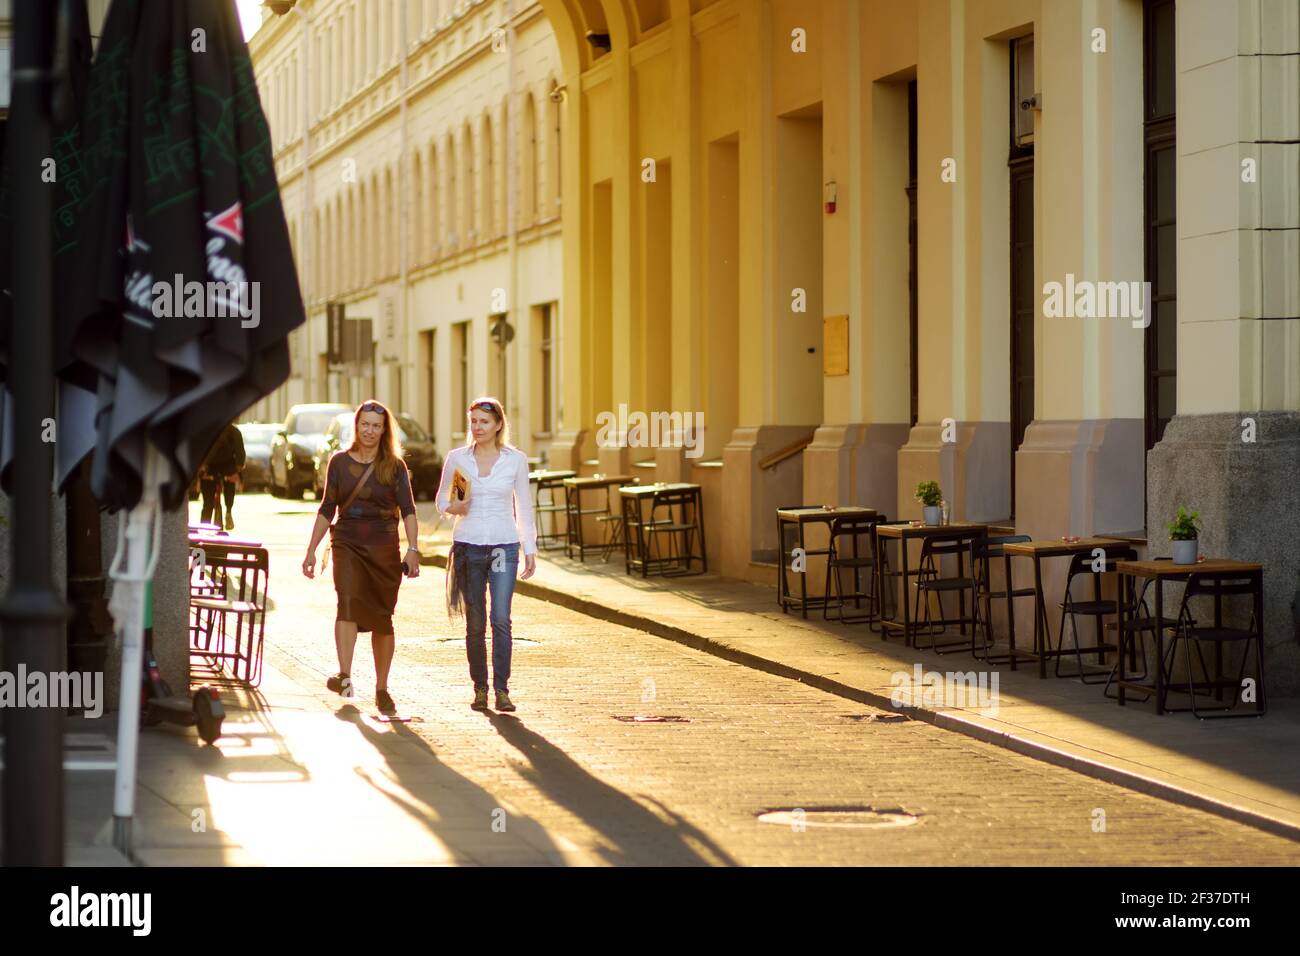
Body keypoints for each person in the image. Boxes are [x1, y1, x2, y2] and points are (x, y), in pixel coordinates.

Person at [302, 400, 420, 715]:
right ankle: (344, 675)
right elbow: (328, 507)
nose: (369, 431)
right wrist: (312, 549)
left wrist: (413, 549)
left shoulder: (395, 467)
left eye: (376, 426)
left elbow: (408, 509)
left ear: (384, 430)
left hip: (384, 548)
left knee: (382, 617)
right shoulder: (339, 463)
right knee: (348, 600)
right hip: (347, 543)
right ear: (356, 426)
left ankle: (382, 689)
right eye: (364, 424)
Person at [436, 396, 537, 712]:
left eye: (484, 422)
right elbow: (444, 500)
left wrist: (529, 547)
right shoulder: (460, 459)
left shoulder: (515, 460)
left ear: (498, 426)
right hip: (469, 546)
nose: (477, 427)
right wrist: (455, 506)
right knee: (476, 622)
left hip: (503, 546)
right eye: (474, 421)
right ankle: (480, 688)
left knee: (500, 619)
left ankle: (502, 690)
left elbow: (523, 505)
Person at [199, 423, 246, 530]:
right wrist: (238, 470)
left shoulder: (205, 430)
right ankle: (229, 511)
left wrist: (201, 469)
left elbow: (198, 450)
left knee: (207, 503)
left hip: (208, 467)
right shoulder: (234, 431)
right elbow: (240, 454)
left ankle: (203, 528)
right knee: (230, 484)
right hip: (227, 467)